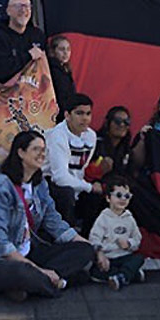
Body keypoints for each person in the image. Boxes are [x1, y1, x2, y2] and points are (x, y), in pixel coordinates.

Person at [0, 130, 95, 302]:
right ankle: (55, 282)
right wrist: (40, 270)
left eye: (44, 150)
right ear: (20, 152)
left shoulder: (39, 184)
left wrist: (93, 249)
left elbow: (54, 222)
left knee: (85, 250)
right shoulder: (0, 187)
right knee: (22, 272)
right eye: (36, 149)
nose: (42, 154)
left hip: (28, 253)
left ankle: (28, 286)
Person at [44, 94, 102, 231]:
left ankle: (89, 237)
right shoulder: (57, 135)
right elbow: (60, 177)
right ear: (67, 115)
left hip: (75, 183)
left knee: (97, 197)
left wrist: (90, 187)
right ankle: (66, 237)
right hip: (49, 184)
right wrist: (89, 187)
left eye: (88, 113)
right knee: (67, 194)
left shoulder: (91, 136)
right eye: (79, 113)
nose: (85, 118)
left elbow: (82, 168)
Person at [88, 175, 145, 290]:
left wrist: (129, 243)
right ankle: (129, 274)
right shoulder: (103, 218)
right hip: (108, 257)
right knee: (97, 271)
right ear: (108, 198)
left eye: (127, 196)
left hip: (124, 255)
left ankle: (122, 276)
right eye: (118, 195)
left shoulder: (129, 218)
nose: (123, 199)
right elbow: (94, 238)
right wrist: (100, 254)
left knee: (139, 258)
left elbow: (137, 238)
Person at [0, 0, 45, 83]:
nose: (23, 10)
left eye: (27, 6)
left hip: (34, 92)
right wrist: (28, 56)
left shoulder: (37, 35)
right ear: (8, 11)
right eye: (18, 6)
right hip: (7, 93)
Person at [93, 106, 133, 178]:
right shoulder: (95, 143)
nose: (122, 125)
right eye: (118, 121)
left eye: (126, 122)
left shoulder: (126, 148)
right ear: (108, 123)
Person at [47, 35, 76, 116]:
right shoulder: (53, 70)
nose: (66, 53)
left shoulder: (65, 69)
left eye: (68, 49)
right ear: (53, 51)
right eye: (61, 49)